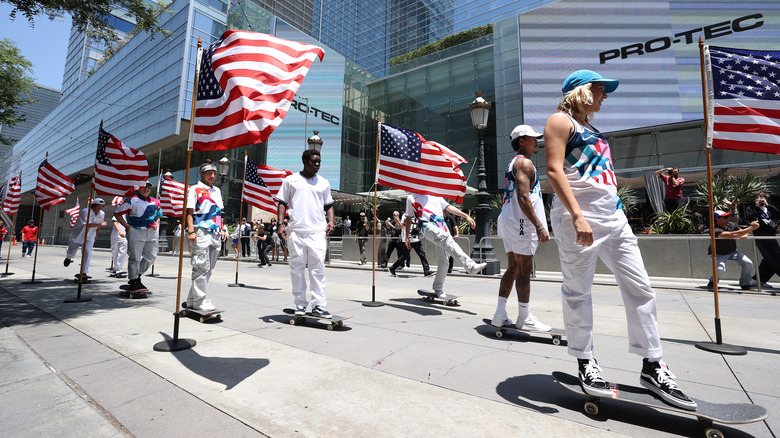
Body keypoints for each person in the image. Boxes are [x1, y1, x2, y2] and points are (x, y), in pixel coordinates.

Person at [544, 69, 696, 410]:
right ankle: (586, 361)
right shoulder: (560, 121)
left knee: (641, 287)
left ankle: (653, 365)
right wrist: (578, 216)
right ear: (582, 91)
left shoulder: (593, 130)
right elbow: (554, 170)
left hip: (612, 217)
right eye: (600, 90)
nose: (605, 96)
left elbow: (600, 175)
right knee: (578, 290)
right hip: (577, 217)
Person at [492, 124, 551, 331]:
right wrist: (539, 226)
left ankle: (499, 314)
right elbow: (524, 196)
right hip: (521, 223)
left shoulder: (513, 162)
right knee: (524, 271)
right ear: (521, 141)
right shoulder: (524, 163)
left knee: (513, 268)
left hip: (509, 220)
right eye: (532, 138)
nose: (537, 141)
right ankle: (524, 316)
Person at [276, 149, 336, 318]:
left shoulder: (323, 183)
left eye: (319, 161)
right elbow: (282, 202)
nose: (317, 164)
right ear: (304, 161)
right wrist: (281, 224)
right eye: (313, 162)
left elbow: (329, 204)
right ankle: (300, 304)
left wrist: (331, 221)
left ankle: (319, 306)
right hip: (296, 231)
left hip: (317, 231)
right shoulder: (291, 180)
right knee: (297, 269)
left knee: (318, 269)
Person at [400, 193, 487, 295]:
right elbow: (409, 218)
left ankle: (438, 288)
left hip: (442, 227)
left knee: (444, 260)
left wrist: (465, 215)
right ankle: (470, 266)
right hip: (427, 227)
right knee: (446, 238)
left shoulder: (436, 195)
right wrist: (407, 237)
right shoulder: (411, 197)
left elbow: (449, 208)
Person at [185, 159, 226, 311]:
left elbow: (219, 213)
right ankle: (200, 301)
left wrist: (222, 230)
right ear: (202, 174)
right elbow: (189, 212)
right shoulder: (195, 189)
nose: (212, 176)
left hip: (215, 231)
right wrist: (191, 231)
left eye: (214, 173)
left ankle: (191, 299)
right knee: (201, 267)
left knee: (208, 268)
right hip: (200, 230)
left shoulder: (217, 191)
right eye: (209, 173)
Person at [114, 181, 163, 292]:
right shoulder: (132, 199)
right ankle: (133, 280)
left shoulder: (156, 202)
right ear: (138, 188)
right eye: (144, 187)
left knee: (151, 257)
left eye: (149, 187)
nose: (146, 189)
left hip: (152, 232)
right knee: (135, 257)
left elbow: (159, 216)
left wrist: (157, 227)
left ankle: (137, 276)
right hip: (136, 230)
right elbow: (117, 213)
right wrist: (127, 227)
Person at [706, 210, 758, 290]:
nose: (728, 219)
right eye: (725, 217)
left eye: (728, 217)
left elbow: (741, 232)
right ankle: (712, 282)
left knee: (748, 263)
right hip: (718, 253)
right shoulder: (714, 229)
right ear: (717, 219)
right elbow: (731, 235)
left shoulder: (731, 225)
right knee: (720, 269)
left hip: (733, 251)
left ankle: (745, 284)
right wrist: (751, 228)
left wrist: (744, 234)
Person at [64, 198, 106, 280]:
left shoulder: (102, 213)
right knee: (72, 251)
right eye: (98, 206)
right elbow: (88, 225)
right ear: (93, 205)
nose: (99, 208)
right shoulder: (85, 211)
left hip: (90, 236)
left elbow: (98, 227)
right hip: (78, 235)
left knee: (87, 252)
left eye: (101, 206)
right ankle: (68, 257)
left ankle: (84, 272)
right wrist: (101, 224)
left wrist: (96, 236)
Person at [744, 192, 780, 287]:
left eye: (762, 198)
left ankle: (758, 280)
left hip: (771, 236)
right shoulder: (751, 208)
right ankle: (758, 280)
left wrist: (769, 206)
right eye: (757, 198)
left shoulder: (769, 208)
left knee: (769, 259)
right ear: (754, 199)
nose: (760, 199)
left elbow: (778, 215)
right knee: (777, 258)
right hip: (761, 237)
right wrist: (756, 207)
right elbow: (749, 219)